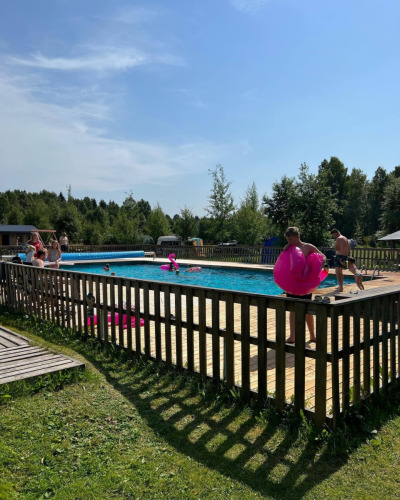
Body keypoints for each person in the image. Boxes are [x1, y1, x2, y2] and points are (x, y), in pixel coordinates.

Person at [283, 227, 328, 344]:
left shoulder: (308, 247)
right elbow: (285, 262)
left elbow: (323, 256)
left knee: (308, 310)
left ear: (298, 237)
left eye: (291, 239)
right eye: (288, 240)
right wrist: (285, 249)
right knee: (292, 309)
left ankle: (312, 335)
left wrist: (318, 266)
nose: (289, 242)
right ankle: (292, 336)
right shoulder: (289, 248)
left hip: (305, 283)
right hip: (293, 283)